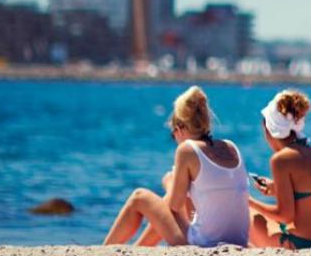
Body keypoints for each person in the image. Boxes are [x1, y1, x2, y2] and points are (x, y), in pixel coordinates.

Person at [104, 86, 249, 247]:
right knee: (173, 197)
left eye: (173, 134)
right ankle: (138, 249)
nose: (174, 138)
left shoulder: (187, 150)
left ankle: (104, 251)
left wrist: (168, 182)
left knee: (139, 196)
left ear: (180, 128)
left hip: (205, 243)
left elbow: (174, 205)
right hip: (240, 240)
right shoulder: (231, 146)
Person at [248, 89, 311, 250]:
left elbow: (285, 216)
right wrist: (276, 189)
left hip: (300, 246)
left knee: (249, 214)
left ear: (269, 129)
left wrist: (249, 201)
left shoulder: (281, 159)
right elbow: (309, 199)